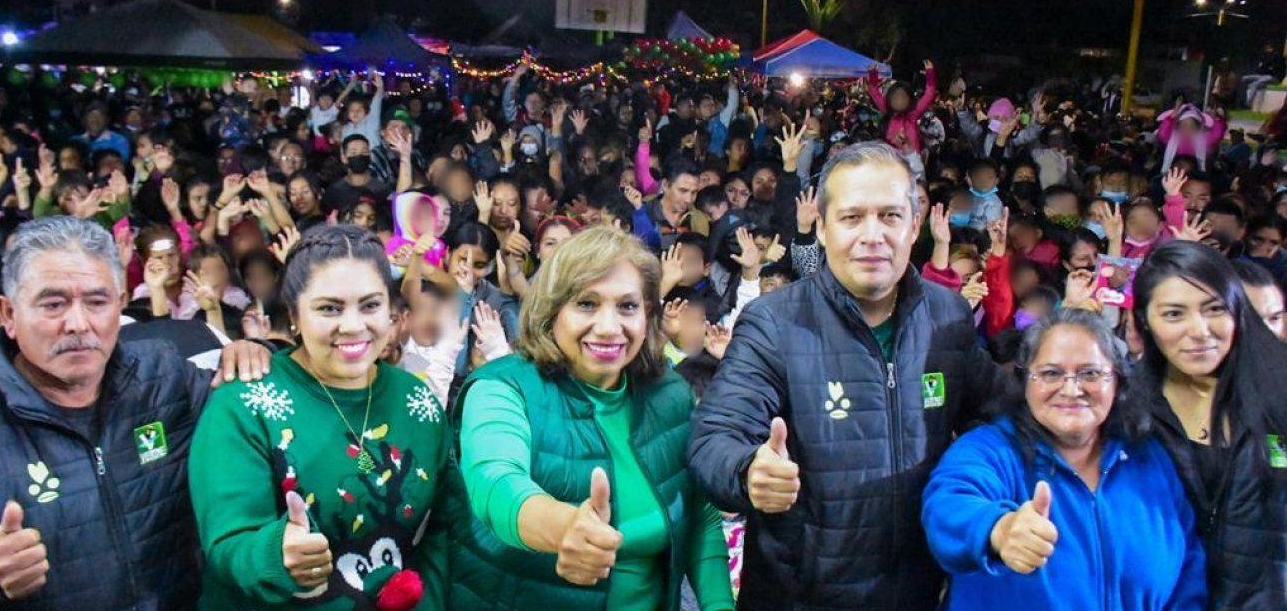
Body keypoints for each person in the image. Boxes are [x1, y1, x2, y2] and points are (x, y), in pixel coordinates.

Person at [688, 142, 1016, 609]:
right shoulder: (774, 322)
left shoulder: (948, 318)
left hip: (917, 594)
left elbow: (1001, 414)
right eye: (851, 217)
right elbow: (713, 437)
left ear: (915, 225)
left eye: (889, 216)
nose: (872, 235)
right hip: (799, 597)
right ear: (821, 227)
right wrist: (749, 472)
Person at [445, 226, 734, 610]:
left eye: (627, 306)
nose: (609, 327)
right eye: (586, 303)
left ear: (648, 314)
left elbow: (699, 513)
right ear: (552, 310)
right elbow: (494, 482)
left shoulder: (670, 393)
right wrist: (565, 528)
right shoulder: (501, 387)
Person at [0, 216, 267, 610]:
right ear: (8, 314)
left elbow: (260, 416)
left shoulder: (162, 373)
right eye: (53, 304)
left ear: (120, 305)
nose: (78, 324)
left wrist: (255, 356)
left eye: (97, 301)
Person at [189, 224, 450, 610]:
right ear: (294, 314)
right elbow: (228, 545)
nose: (353, 325)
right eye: (329, 308)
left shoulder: (417, 400)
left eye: (370, 305)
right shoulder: (245, 404)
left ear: (393, 312)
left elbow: (442, 530)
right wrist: (275, 557)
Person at [922, 310, 1206, 610]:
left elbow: (1189, 573)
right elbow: (947, 506)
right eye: (1051, 374)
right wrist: (998, 529)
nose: (1071, 390)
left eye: (1090, 373)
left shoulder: (1148, 458)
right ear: (1024, 381)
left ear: (1118, 381)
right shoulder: (989, 451)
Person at [1131, 240, 1287, 609]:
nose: (1199, 330)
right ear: (1144, 322)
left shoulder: (1278, 395)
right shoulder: (1122, 411)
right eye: (1173, 314)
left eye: (1214, 308)